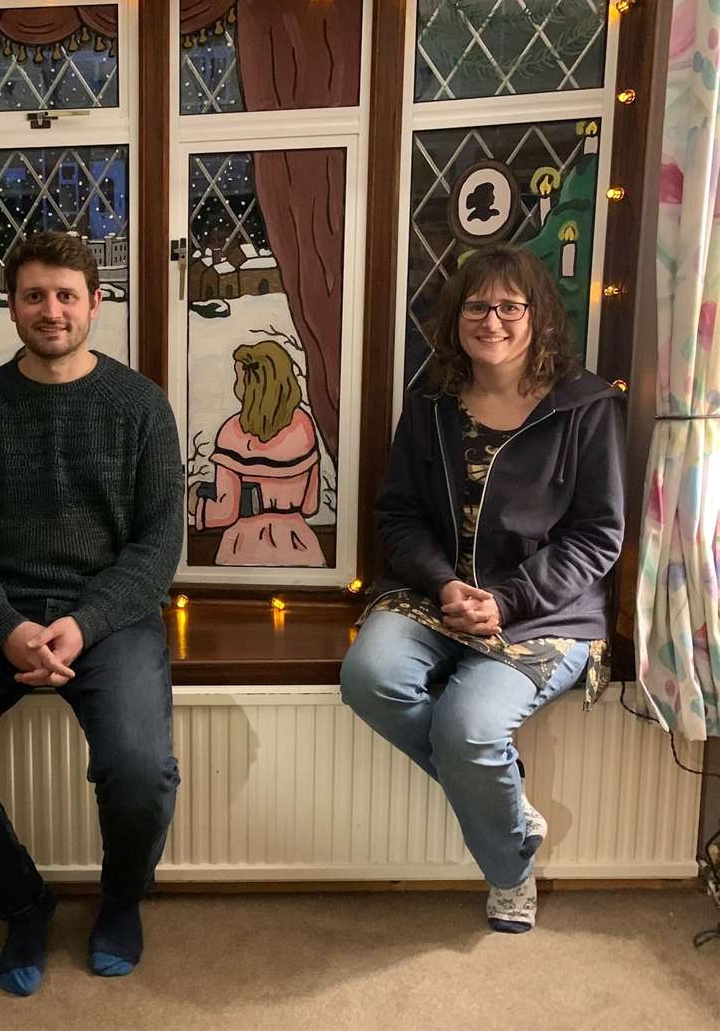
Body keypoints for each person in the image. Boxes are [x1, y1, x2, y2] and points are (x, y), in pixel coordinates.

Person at [0, 231, 184, 996]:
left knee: (141, 771)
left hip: (107, 616)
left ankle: (120, 901)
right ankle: (25, 904)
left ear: (95, 302)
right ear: (11, 305)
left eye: (65, 295)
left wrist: (83, 623)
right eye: (33, 296)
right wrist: (9, 628)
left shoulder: (141, 406)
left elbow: (159, 544)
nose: (50, 310)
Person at [340, 244, 625, 933]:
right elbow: (398, 515)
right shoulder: (430, 404)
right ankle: (506, 810)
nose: (491, 320)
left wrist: (506, 600)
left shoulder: (585, 407)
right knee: (368, 676)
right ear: (456, 317)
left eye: (509, 306)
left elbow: (598, 536)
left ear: (538, 316)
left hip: (546, 610)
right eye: (476, 305)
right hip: (435, 594)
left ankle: (507, 872)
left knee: (467, 729)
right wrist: (444, 586)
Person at [190, 338, 326, 567]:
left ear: (252, 384)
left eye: (239, 378)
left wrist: (195, 500)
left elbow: (226, 512)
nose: (236, 385)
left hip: (243, 549)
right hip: (300, 545)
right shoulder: (304, 425)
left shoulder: (233, 433)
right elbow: (310, 506)